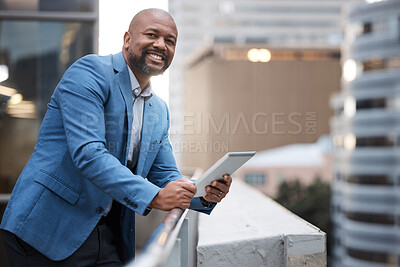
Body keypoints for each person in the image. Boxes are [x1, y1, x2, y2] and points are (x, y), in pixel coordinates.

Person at [0, 8, 231, 266]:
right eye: (152, 34)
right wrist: (155, 197)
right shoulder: (89, 73)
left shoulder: (159, 110)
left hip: (105, 233)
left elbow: (165, 174)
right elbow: (89, 154)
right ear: (127, 40)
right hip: (47, 227)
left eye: (170, 40)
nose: (160, 45)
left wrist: (203, 192)